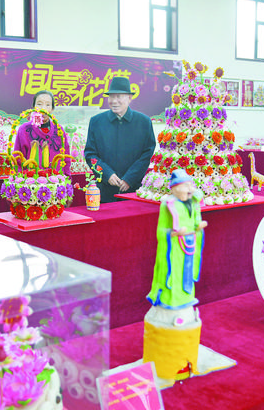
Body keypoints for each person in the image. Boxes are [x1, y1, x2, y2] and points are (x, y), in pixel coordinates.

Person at [84, 76, 156, 202]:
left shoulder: (144, 122)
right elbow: (90, 154)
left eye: (119, 96)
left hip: (133, 190)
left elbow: (147, 153)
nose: (114, 101)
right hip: (105, 191)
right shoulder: (96, 122)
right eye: (111, 97)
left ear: (129, 98)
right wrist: (107, 174)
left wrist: (130, 178)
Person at [147, 170, 207, 310]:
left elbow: (196, 220)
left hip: (190, 243)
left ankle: (186, 298)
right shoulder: (168, 204)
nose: (190, 190)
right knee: (174, 272)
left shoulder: (193, 202)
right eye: (186, 186)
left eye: (191, 186)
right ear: (175, 188)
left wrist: (198, 226)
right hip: (174, 247)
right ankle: (171, 301)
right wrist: (172, 234)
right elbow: (161, 230)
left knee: (188, 271)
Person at [13, 90, 71, 174]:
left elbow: (66, 159)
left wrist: (66, 178)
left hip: (56, 180)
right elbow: (17, 159)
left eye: (48, 105)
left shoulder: (59, 130)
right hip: (31, 180)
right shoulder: (24, 129)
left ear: (52, 109)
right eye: (39, 104)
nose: (43, 108)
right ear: (34, 107)